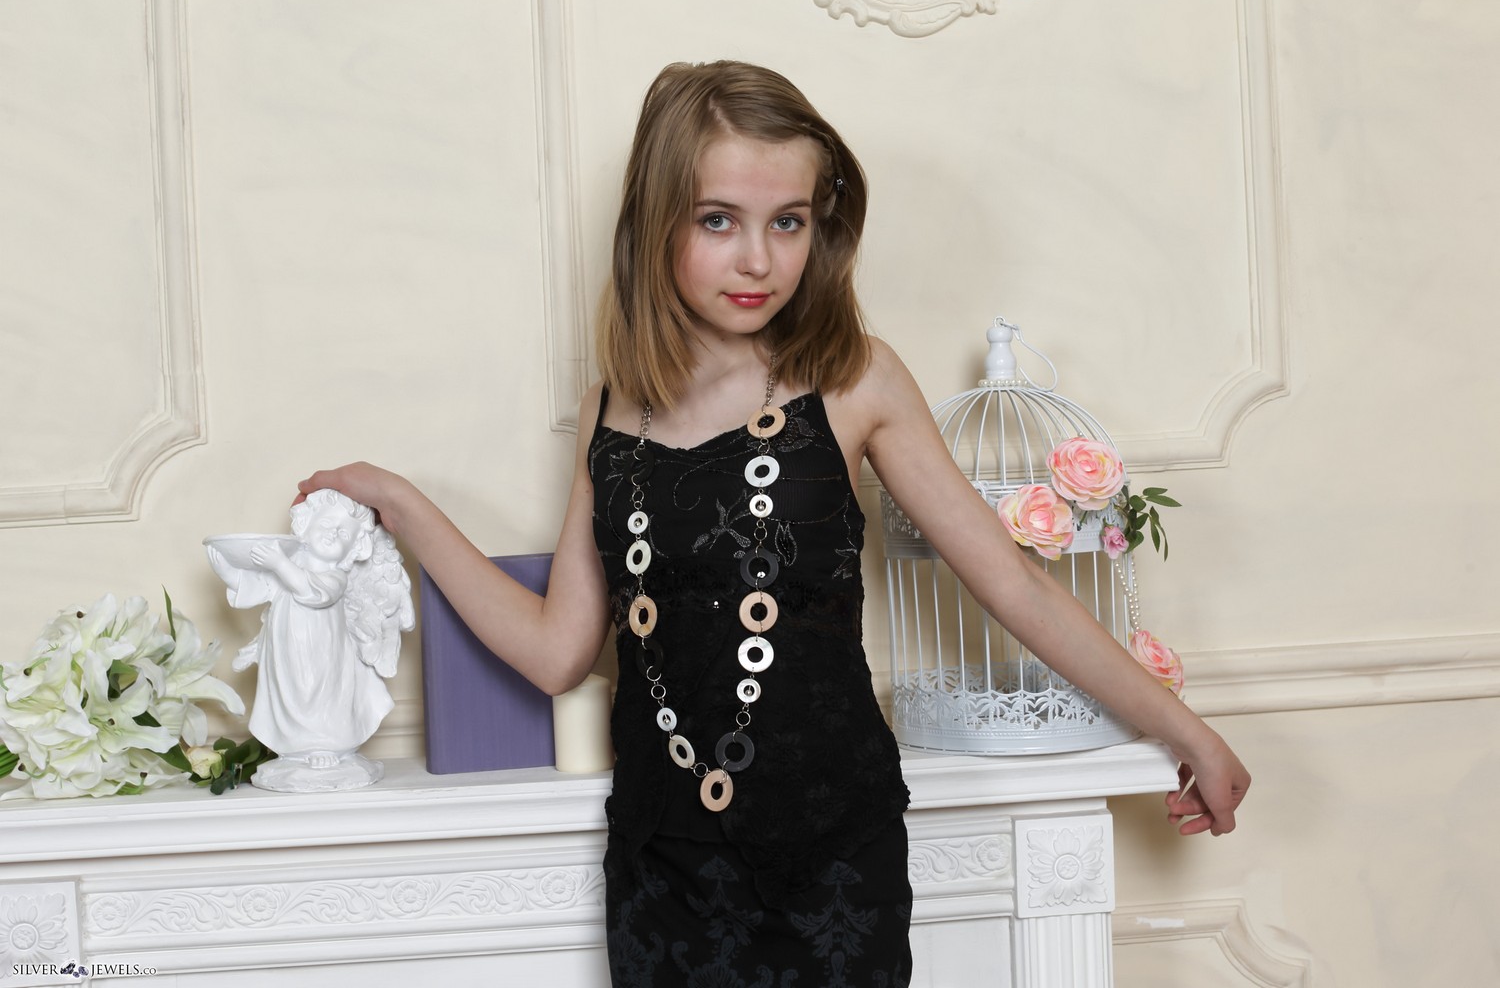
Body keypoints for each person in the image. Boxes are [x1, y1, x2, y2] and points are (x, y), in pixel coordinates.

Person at [296, 60, 1250, 986]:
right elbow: (558, 653)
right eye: (718, 220)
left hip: (832, 859)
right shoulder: (612, 410)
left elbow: (1014, 585)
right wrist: (405, 504)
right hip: (662, 864)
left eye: (787, 222)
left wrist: (1186, 734)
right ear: (656, 223)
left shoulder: (855, 377)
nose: (758, 260)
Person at [206, 488, 412, 791]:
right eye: (327, 524)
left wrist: (279, 563)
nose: (333, 534)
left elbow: (314, 592)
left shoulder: (336, 576)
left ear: (354, 547)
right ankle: (296, 748)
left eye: (344, 533)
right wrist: (225, 569)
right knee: (291, 695)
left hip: (324, 654)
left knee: (321, 695)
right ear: (305, 525)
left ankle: (326, 745)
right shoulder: (287, 565)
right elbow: (254, 587)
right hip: (285, 654)